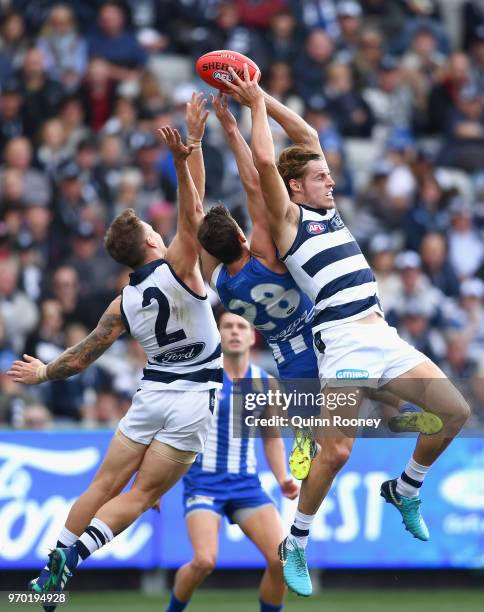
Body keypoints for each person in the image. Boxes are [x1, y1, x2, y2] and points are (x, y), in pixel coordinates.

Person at [224, 65, 470, 597]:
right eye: (319, 177)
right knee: (336, 452)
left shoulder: (329, 211)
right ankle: (297, 541)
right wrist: (252, 108)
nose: (330, 180)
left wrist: (261, 94)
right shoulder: (289, 220)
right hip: (344, 343)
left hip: (383, 335)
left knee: (453, 413)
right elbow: (265, 160)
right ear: (295, 187)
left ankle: (405, 488)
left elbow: (307, 138)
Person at [8, 123, 222, 596]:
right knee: (144, 496)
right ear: (149, 243)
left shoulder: (122, 303)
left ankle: (52, 570)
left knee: (102, 486)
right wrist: (190, 151)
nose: (159, 232)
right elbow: (197, 206)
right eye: (152, 229)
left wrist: (43, 371)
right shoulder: (181, 266)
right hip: (192, 397)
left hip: (150, 396)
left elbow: (81, 357)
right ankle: (75, 555)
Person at [195, 92, 320, 481]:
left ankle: (306, 435)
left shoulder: (222, 285)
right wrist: (232, 127)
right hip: (317, 331)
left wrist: (192, 151)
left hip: (286, 353)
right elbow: (253, 183)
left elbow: (193, 216)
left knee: (312, 420)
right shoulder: (265, 252)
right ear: (240, 235)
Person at [167, 311, 299, 612]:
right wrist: (151, 486)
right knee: (204, 561)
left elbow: (271, 437)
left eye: (242, 326)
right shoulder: (199, 378)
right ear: (219, 334)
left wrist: (283, 478)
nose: (235, 332)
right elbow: (168, 431)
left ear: (253, 337)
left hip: (245, 485)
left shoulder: (266, 384)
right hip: (203, 483)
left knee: (282, 560)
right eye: (227, 326)